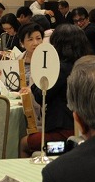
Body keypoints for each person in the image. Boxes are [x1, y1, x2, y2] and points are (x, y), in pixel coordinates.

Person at [21, 24, 90, 155]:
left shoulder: (60, 69)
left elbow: (41, 96)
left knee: (24, 143)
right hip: (86, 129)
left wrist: (36, 80)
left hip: (64, 133)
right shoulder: (87, 65)